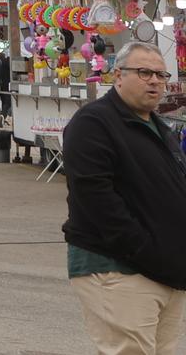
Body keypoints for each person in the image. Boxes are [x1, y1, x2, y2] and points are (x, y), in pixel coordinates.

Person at [62, 38, 186, 351]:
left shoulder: (159, 126)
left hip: (167, 272)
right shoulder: (93, 123)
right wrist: (146, 250)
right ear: (118, 75)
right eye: (144, 73)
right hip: (118, 268)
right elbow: (97, 200)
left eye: (161, 75)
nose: (155, 81)